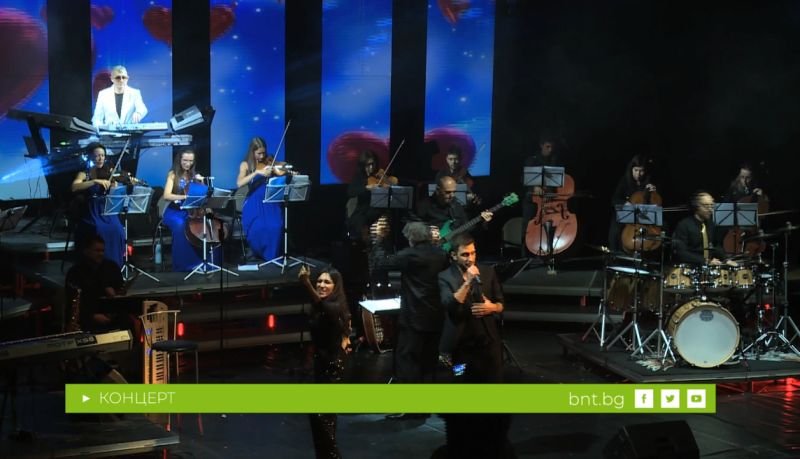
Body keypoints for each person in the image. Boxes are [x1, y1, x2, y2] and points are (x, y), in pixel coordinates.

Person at [437, 233, 513, 458]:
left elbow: (501, 303)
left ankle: (492, 440)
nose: (470, 258)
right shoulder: (445, 277)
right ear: (454, 256)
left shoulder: (488, 272)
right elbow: (450, 305)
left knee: (492, 389)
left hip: (488, 343)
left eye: (473, 253)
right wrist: (468, 282)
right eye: (465, 254)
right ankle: (464, 442)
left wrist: (493, 308)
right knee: (462, 389)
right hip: (461, 347)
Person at [370, 222, 450, 385]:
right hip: (436, 316)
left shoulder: (409, 255)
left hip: (413, 318)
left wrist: (379, 241)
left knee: (407, 360)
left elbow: (380, 264)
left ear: (411, 239)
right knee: (429, 361)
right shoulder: (441, 254)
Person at [298, 265, 351, 459]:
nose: (321, 285)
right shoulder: (323, 305)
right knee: (318, 420)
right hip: (320, 365)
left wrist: (306, 284)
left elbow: (325, 308)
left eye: (327, 282)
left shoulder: (335, 306)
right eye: (319, 281)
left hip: (332, 368)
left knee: (324, 420)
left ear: (335, 286)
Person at [63, 234, 128, 383]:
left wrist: (118, 292)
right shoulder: (76, 272)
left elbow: (119, 289)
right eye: (97, 250)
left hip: (112, 314)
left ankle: (121, 366)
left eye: (102, 250)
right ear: (86, 251)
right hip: (88, 317)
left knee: (129, 322)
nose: (100, 254)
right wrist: (92, 315)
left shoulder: (110, 267)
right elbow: (74, 301)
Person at [162, 149, 222, 271]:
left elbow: (204, 195)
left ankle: (208, 262)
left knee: (210, 225)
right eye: (185, 160)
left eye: (190, 161)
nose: (188, 163)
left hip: (193, 211)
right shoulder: (173, 174)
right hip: (176, 211)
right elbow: (166, 195)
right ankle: (185, 265)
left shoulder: (195, 175)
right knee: (181, 225)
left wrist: (201, 182)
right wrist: (185, 197)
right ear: (179, 160)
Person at [70, 142, 125, 267]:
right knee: (100, 229)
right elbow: (74, 187)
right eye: (97, 156)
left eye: (103, 155)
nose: (100, 158)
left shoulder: (108, 171)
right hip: (92, 210)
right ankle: (98, 264)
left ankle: (114, 266)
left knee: (118, 230)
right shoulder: (85, 173)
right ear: (90, 157)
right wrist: (94, 181)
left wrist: (114, 187)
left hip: (107, 209)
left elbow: (115, 191)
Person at [236, 137, 284, 262]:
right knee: (258, 227)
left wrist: (283, 169)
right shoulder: (245, 164)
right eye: (259, 153)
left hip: (271, 200)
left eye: (263, 153)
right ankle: (258, 252)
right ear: (252, 152)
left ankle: (272, 256)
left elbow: (282, 171)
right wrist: (257, 172)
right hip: (254, 201)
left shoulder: (269, 161)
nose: (262, 156)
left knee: (276, 225)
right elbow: (239, 183)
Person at [608, 155, 658, 253]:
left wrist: (654, 193)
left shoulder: (649, 181)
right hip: (626, 214)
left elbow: (656, 203)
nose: (638, 174)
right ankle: (614, 254)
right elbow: (614, 199)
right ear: (631, 169)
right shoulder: (624, 181)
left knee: (662, 226)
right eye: (636, 170)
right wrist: (625, 203)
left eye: (641, 171)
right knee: (615, 231)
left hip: (644, 216)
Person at [672, 191, 733, 266]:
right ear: (696, 206)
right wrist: (705, 261)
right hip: (690, 267)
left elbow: (716, 245)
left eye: (711, 206)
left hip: (708, 267)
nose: (710, 209)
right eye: (706, 206)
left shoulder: (711, 224)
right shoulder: (684, 225)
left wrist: (726, 259)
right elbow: (681, 253)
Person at [346, 150, 386, 243]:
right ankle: (365, 243)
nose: (371, 167)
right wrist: (366, 187)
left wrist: (385, 181)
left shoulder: (378, 176)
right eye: (368, 165)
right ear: (363, 165)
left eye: (373, 164)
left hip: (378, 209)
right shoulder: (359, 177)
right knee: (360, 221)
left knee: (384, 220)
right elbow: (350, 192)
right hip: (363, 210)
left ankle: (380, 243)